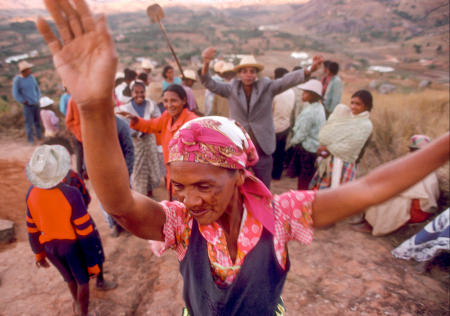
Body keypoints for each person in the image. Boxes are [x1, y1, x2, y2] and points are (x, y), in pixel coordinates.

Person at [35, 2, 449, 314]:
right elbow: (121, 205)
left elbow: (371, 187)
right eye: (179, 185)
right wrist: (92, 108)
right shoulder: (180, 225)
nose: (189, 199)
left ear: (239, 175)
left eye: (204, 185)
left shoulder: (282, 214)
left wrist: (444, 145)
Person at [199, 48, 324, 188]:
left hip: (262, 147)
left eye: (252, 71)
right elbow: (210, 84)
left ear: (256, 74)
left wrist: (310, 69)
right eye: (244, 71)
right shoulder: (232, 88)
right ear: (239, 74)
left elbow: (286, 81)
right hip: (240, 147)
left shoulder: (267, 87)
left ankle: (263, 208)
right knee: (239, 186)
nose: (248, 75)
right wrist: (206, 63)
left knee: (263, 187)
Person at [25, 144, 113, 316]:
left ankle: (77, 304)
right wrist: (93, 262)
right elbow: (86, 234)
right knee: (83, 281)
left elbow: (31, 227)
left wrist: (38, 253)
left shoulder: (31, 193)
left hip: (50, 248)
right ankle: (84, 312)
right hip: (72, 247)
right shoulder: (71, 194)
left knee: (69, 278)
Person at [117, 84, 197, 195]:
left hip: (188, 177)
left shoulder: (192, 121)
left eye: (173, 100)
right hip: (172, 174)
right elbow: (151, 125)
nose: (169, 105)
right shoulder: (167, 116)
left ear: (184, 101)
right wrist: (135, 119)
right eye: (165, 101)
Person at [360, 135, 440, 236]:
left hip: (420, 210)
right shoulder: (421, 162)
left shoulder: (423, 166)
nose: (414, 152)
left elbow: (418, 195)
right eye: (414, 150)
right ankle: (368, 220)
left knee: (386, 199)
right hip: (416, 202)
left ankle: (373, 225)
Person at [309, 90, 373, 190]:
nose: (353, 106)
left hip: (345, 164)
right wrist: (326, 147)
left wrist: (326, 148)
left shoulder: (365, 125)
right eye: (352, 103)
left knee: (338, 195)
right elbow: (330, 136)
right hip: (330, 161)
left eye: (358, 104)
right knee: (323, 193)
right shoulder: (346, 118)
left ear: (367, 106)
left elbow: (349, 148)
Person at [116, 81, 161, 197]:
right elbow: (124, 126)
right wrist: (138, 130)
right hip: (136, 142)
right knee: (139, 168)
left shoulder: (151, 104)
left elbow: (158, 120)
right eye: (136, 92)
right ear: (131, 93)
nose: (139, 95)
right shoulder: (125, 108)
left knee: (152, 166)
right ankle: (141, 196)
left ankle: (151, 193)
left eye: (142, 92)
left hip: (149, 140)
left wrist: (148, 125)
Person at [287, 79, 326, 190]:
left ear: (313, 95)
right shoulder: (319, 107)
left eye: (305, 92)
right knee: (308, 178)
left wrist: (291, 143)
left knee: (303, 180)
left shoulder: (309, 112)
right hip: (315, 148)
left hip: (307, 150)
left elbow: (301, 134)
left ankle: (303, 201)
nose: (302, 95)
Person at [271, 67, 295, 180]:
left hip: (274, 127)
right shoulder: (291, 92)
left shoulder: (275, 93)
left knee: (271, 153)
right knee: (280, 153)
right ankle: (277, 174)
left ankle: (271, 174)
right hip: (285, 125)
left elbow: (270, 110)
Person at [11, 60, 42, 144]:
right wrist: (23, 101)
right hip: (28, 105)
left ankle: (40, 138)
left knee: (38, 122)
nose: (30, 70)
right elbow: (15, 93)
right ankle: (30, 141)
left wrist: (38, 97)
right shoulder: (17, 80)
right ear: (24, 71)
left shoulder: (31, 77)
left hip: (36, 103)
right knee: (29, 124)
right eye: (28, 69)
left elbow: (37, 88)